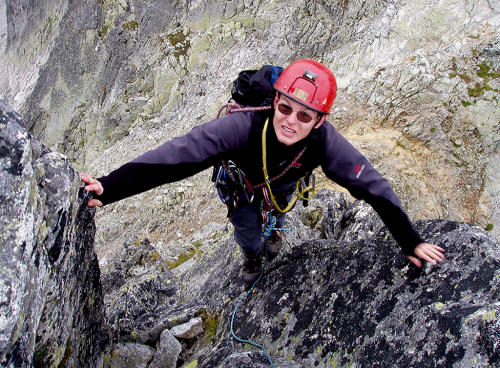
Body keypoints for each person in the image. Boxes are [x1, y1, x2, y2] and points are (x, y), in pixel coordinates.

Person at [81, 59, 445, 284]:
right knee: (247, 231)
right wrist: (110, 188)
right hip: (242, 187)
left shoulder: (325, 144)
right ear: (274, 101)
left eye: (305, 115)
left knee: (281, 209)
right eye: (285, 108)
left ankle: (276, 233)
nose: (291, 121)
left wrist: (410, 240)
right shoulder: (243, 127)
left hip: (285, 182)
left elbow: (371, 185)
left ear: (319, 121)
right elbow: (178, 156)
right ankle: (254, 255)